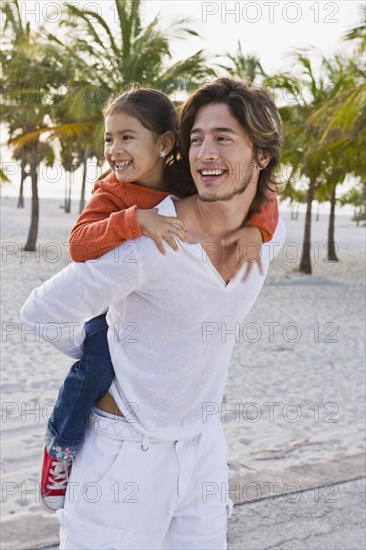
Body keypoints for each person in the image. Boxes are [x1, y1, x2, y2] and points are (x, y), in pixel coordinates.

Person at [21, 77, 286, 549]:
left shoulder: (269, 235)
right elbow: (41, 311)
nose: (205, 152)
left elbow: (267, 201)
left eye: (223, 138)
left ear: (262, 155)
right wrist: (107, 354)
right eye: (197, 139)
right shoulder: (149, 243)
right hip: (123, 452)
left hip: (203, 446)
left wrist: (259, 233)